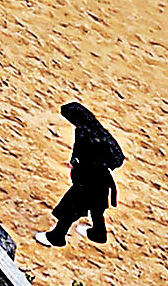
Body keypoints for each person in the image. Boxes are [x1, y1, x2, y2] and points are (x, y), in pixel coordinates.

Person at [43, 101, 123, 246]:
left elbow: (81, 157)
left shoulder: (85, 135)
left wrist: (78, 165)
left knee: (70, 208)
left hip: (87, 180)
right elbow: (117, 159)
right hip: (101, 180)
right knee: (96, 208)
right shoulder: (99, 131)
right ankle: (98, 233)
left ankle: (56, 237)